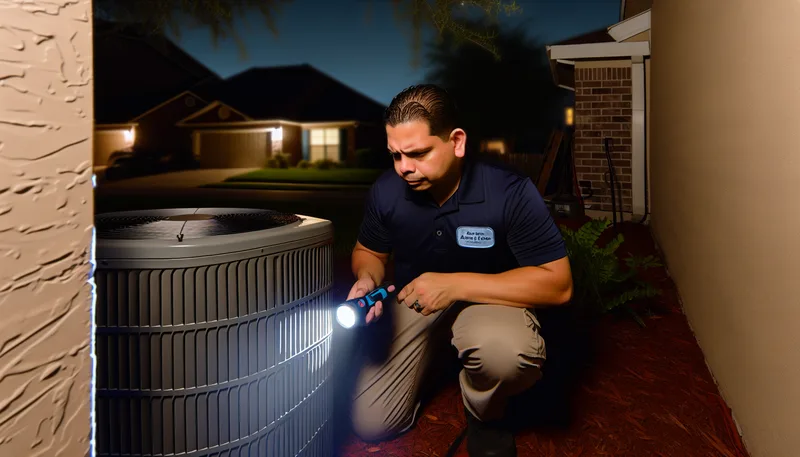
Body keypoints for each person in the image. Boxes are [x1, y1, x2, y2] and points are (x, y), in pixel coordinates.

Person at [346, 84, 573, 457]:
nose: (404, 167)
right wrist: (367, 277)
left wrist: (454, 286)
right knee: (372, 423)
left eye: (418, 153)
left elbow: (559, 284)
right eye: (395, 155)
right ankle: (436, 359)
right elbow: (367, 250)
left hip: (491, 304)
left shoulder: (510, 191)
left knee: (504, 354)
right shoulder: (387, 191)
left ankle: (486, 411)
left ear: (456, 141)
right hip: (414, 303)